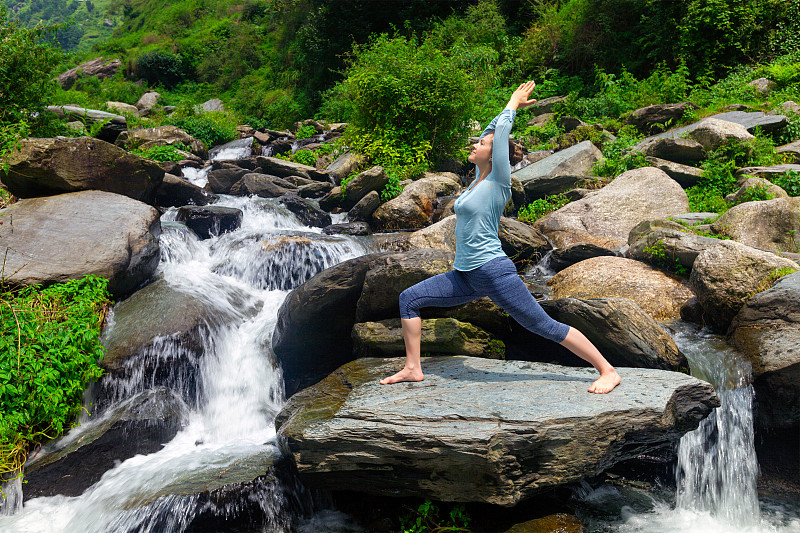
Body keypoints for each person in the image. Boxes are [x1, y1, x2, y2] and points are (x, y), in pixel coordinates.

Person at [380, 81, 622, 394]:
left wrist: (512, 103)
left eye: (481, 144)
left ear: (494, 155)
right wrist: (507, 110)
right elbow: (494, 131)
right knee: (408, 299)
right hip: (466, 276)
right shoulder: (475, 182)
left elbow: (500, 136)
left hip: (494, 272)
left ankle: (607, 370)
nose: (474, 146)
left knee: (542, 325)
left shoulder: (498, 181)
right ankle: (413, 368)